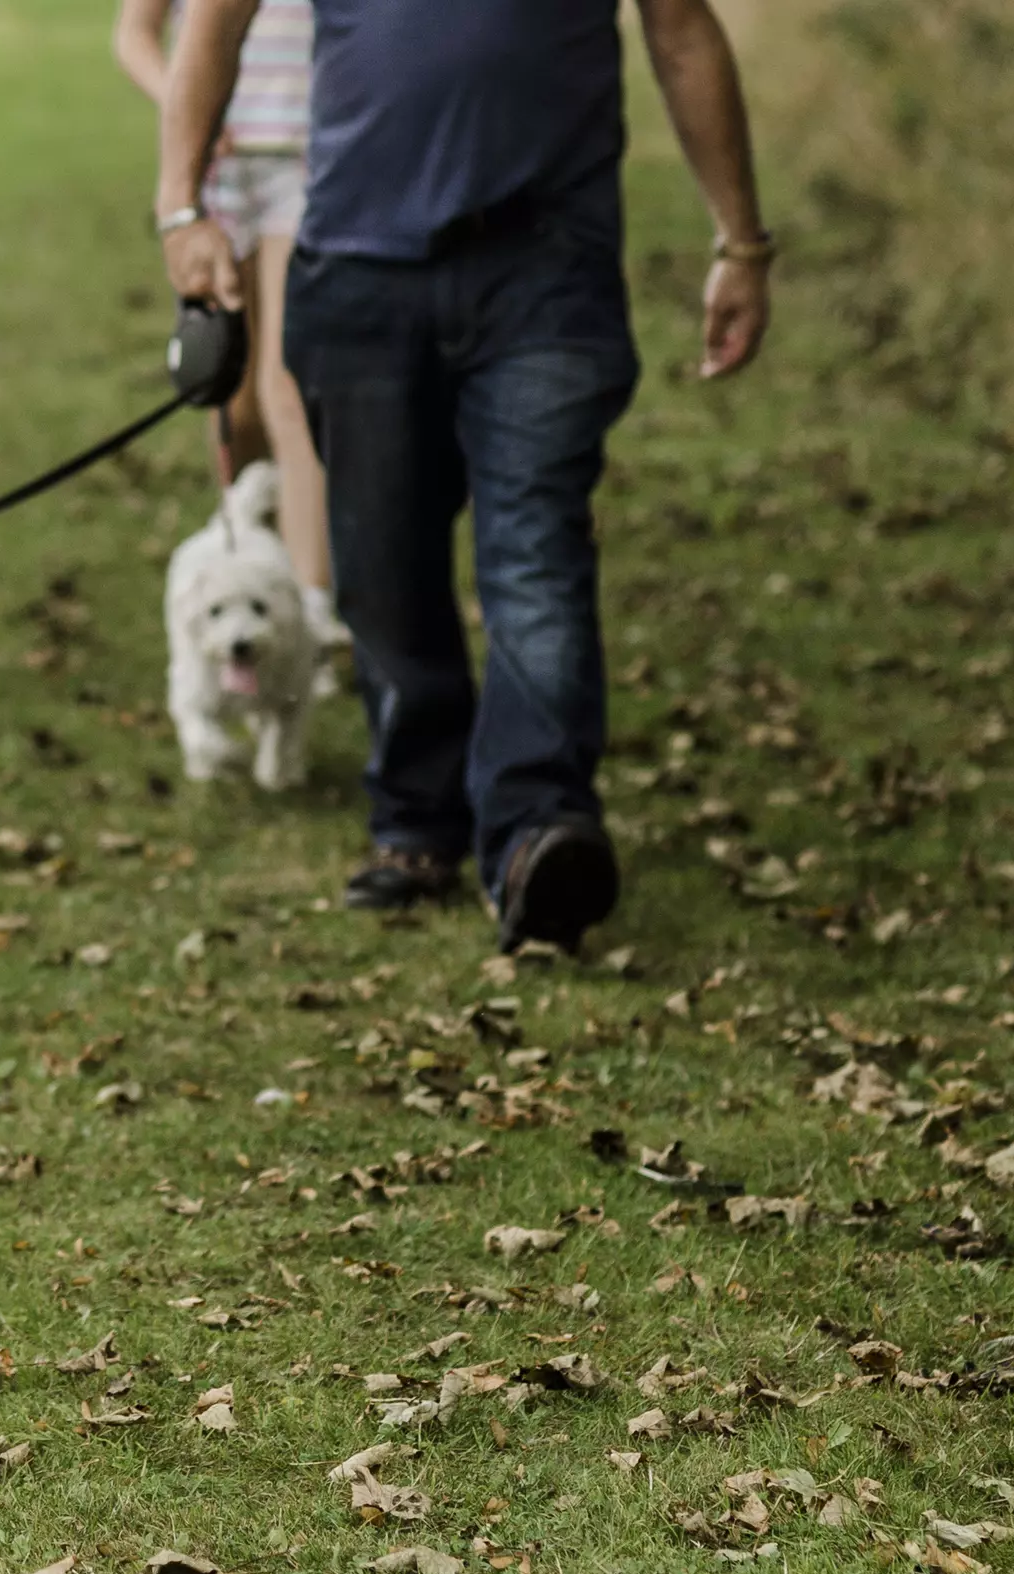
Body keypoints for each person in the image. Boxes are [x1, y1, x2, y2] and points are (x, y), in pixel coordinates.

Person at [153, 0, 772, 952]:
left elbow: (681, 31)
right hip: (358, 269)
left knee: (535, 549)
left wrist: (739, 240)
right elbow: (216, 19)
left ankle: (537, 829)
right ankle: (417, 816)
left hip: (546, 270)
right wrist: (183, 206)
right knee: (383, 565)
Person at [111, 0, 339, 655]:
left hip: (307, 157)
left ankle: (311, 605)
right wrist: (185, 101)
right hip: (213, 172)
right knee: (233, 406)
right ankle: (239, 585)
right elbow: (133, 35)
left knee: (287, 386)